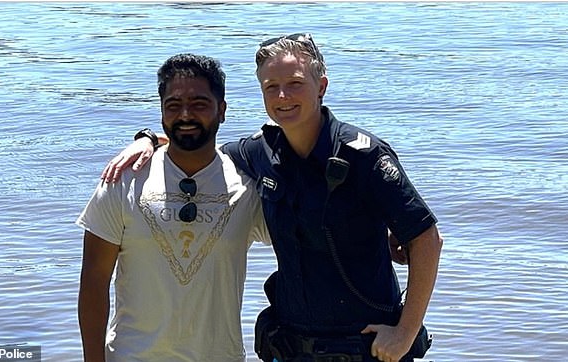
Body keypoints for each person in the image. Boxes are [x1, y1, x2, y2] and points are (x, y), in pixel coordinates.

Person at [103, 33, 442, 362]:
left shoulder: (363, 156)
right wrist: (148, 139)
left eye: (295, 83)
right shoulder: (259, 151)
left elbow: (427, 239)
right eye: (271, 87)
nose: (282, 96)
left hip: (364, 346)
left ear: (321, 86)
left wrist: (404, 334)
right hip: (291, 344)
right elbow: (199, 148)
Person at [77, 53, 270, 362]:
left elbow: (305, 249)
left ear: (222, 110)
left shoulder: (247, 187)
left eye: (199, 104)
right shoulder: (123, 179)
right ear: (161, 112)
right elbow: (93, 281)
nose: (185, 115)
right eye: (174, 105)